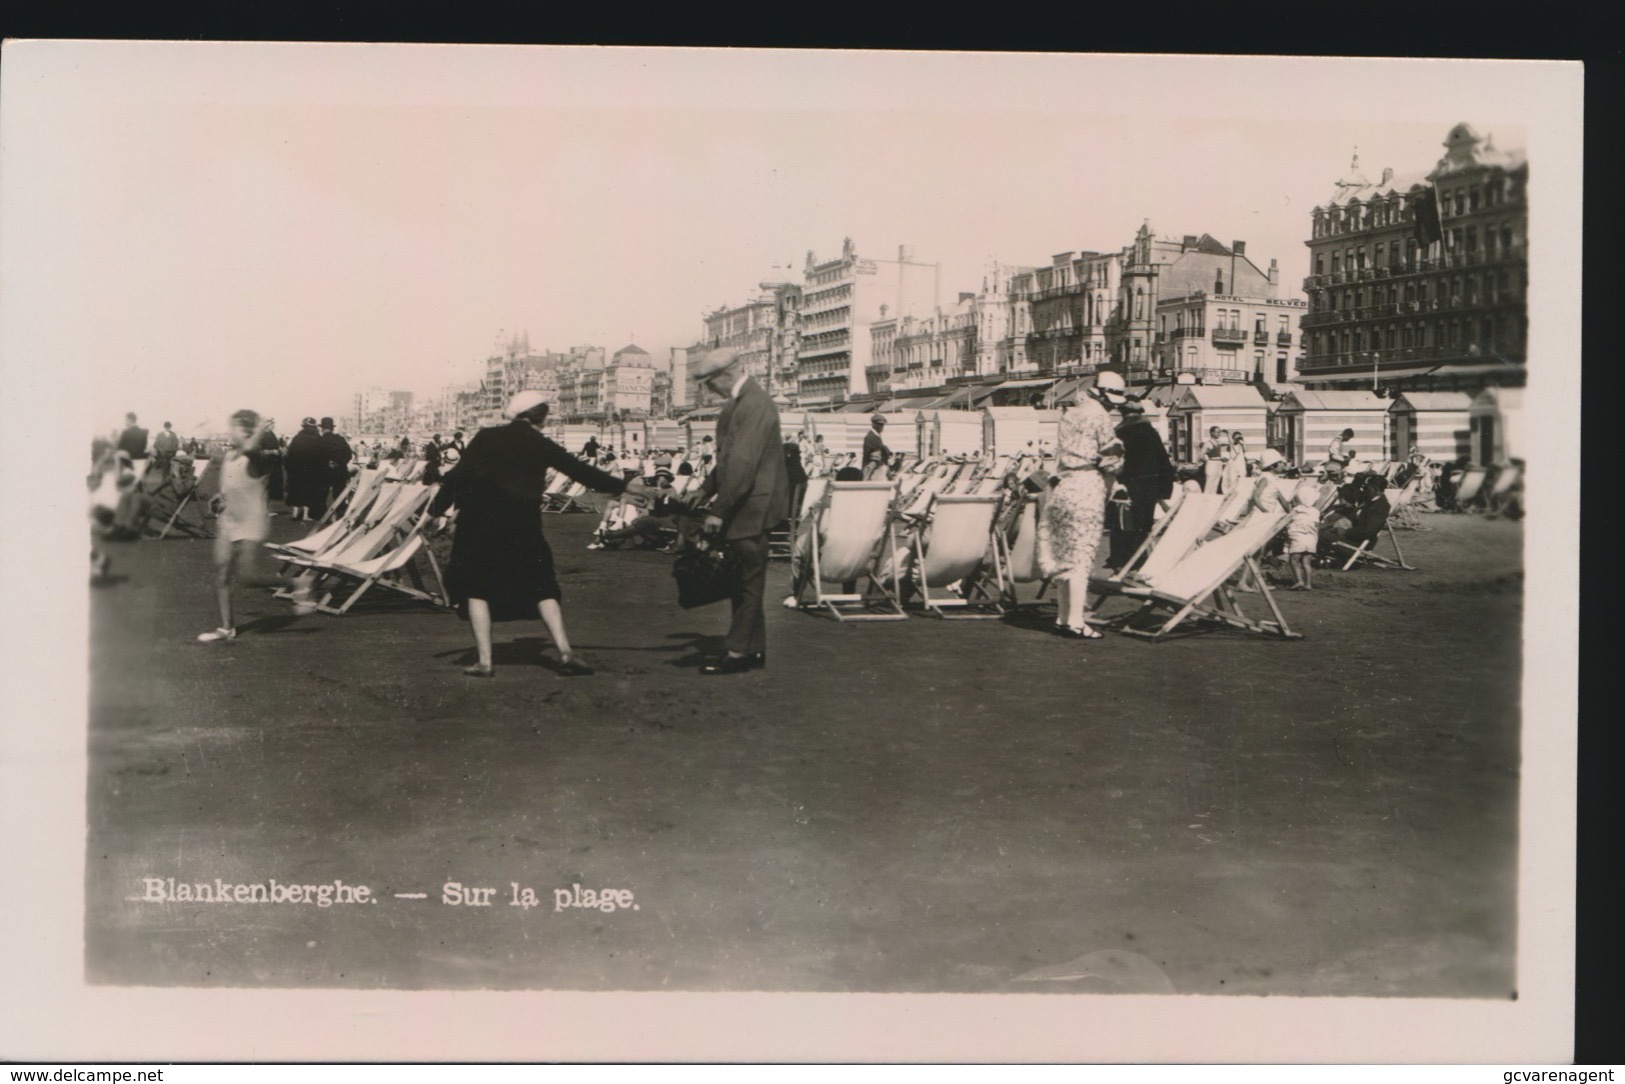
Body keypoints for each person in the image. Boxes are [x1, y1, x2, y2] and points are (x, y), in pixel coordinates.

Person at [428, 391, 648, 678]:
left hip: (479, 525)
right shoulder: (539, 442)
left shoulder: (485, 437)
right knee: (543, 587)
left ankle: (485, 662)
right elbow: (580, 471)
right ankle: (566, 652)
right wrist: (623, 487)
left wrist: (436, 510)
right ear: (541, 418)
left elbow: (459, 475)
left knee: (477, 589)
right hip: (523, 527)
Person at [686, 347, 790, 675]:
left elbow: (742, 465)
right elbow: (729, 460)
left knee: (748, 578)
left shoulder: (755, 404)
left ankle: (738, 650)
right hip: (748, 502)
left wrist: (719, 509)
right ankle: (752, 646)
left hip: (752, 505)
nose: (707, 389)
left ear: (727, 373)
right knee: (745, 576)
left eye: (708, 382)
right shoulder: (744, 403)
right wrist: (704, 489)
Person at [197, 410, 317, 643]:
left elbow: (250, 451)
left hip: (252, 521)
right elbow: (229, 476)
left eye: (237, 428)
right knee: (221, 574)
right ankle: (226, 627)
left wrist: (261, 426)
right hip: (229, 519)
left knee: (246, 576)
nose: (232, 432)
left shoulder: (258, 458)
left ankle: (297, 582)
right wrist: (220, 495)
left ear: (251, 432)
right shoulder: (231, 455)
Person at [1037, 371, 1127, 638]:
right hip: (1086, 486)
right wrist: (1119, 457)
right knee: (1082, 556)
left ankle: (1063, 618)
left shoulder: (1071, 412)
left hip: (1063, 485)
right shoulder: (1100, 416)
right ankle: (1075, 621)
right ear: (1104, 394)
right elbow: (1112, 459)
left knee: (1065, 555)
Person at [1108, 400, 1175, 570]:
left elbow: (1114, 463)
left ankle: (1125, 563)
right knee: (1144, 526)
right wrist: (1164, 490)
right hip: (1150, 487)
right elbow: (1164, 461)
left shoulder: (1119, 433)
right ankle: (1140, 562)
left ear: (1123, 413)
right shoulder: (1151, 432)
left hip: (1128, 487)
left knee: (1125, 525)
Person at [283, 417, 328, 522]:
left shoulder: (297, 438)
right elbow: (321, 456)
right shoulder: (317, 439)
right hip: (311, 470)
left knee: (295, 490)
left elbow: (290, 455)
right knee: (309, 492)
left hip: (296, 470)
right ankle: (305, 515)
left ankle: (294, 514)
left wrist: (289, 468)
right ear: (313, 427)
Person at [1284, 473, 1323, 591]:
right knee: (1306, 562)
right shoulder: (1315, 512)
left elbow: (1287, 522)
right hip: (1311, 539)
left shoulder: (1295, 510)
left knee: (1293, 560)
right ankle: (1308, 584)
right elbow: (1317, 526)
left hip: (1298, 538)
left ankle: (1299, 581)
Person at [316, 418, 353, 513]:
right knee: (339, 495)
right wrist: (339, 463)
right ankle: (340, 513)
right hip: (340, 471)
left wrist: (327, 463)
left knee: (321, 495)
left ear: (322, 428)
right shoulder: (340, 439)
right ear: (332, 428)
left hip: (324, 472)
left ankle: (322, 514)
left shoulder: (319, 440)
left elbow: (315, 457)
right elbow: (349, 454)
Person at [862, 415, 892, 480]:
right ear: (873, 424)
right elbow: (873, 457)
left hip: (876, 468)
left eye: (883, 425)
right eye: (879, 424)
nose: (882, 427)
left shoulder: (876, 436)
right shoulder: (872, 437)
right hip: (874, 470)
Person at [1201, 426, 1229, 492]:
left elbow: (1231, 443)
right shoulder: (1208, 444)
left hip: (1218, 463)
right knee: (1209, 484)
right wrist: (1208, 462)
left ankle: (1212, 500)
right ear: (1212, 433)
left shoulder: (1219, 442)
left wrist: (1228, 434)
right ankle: (1206, 500)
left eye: (1220, 432)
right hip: (1212, 464)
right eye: (1217, 432)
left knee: (1216, 484)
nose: (1219, 434)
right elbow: (1201, 456)